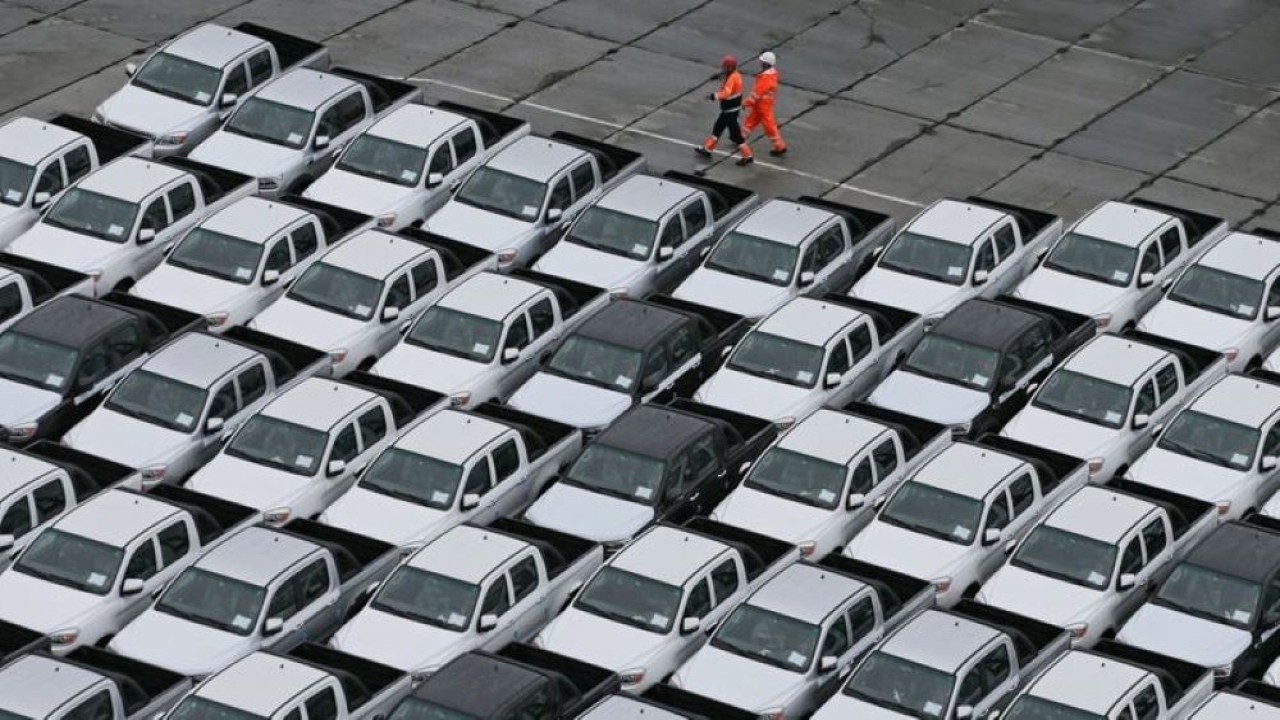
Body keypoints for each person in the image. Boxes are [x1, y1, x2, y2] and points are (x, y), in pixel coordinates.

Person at [696, 55, 754, 166]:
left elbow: (726, 93)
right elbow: (726, 77)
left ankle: (748, 156)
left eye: (725, 67)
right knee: (717, 128)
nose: (723, 69)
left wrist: (713, 96)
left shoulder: (732, 78)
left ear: (730, 68)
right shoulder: (736, 75)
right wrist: (718, 76)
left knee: (735, 135)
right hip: (729, 110)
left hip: (730, 111)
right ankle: (707, 149)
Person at [742, 51, 787, 156]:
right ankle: (740, 138)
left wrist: (747, 102)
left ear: (766, 64)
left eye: (762, 61)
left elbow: (757, 93)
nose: (760, 63)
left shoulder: (766, 77)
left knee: (769, 126)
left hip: (763, 105)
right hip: (763, 104)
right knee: (751, 120)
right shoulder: (772, 74)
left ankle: (780, 147)